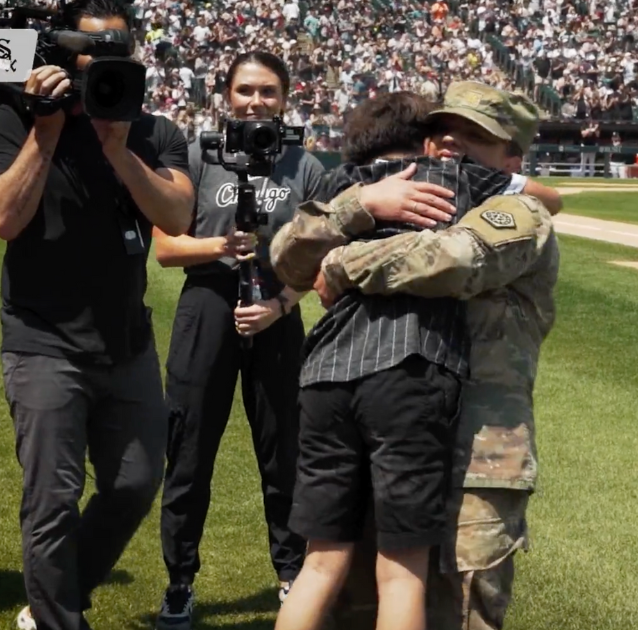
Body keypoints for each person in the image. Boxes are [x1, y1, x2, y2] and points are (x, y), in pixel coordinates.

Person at [269, 86, 558, 630]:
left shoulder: (520, 212)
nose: (453, 142)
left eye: (477, 136)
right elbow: (286, 254)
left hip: (479, 452)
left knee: (460, 611)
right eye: (444, 130)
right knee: (359, 603)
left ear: (512, 159)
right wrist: (359, 205)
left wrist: (341, 264)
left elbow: (453, 259)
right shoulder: (398, 196)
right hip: (392, 421)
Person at [0, 0, 195, 628]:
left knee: (133, 483)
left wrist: (120, 148)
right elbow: (1, 218)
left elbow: (177, 218)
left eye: (115, 55)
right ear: (63, 57)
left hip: (124, 342)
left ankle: (60, 593)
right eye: (89, 53)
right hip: (42, 339)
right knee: (51, 501)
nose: (101, 64)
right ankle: (57, 620)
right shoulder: (15, 120)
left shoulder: (154, 131)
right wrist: (46, 131)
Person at [151, 50, 324, 629]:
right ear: (227, 95)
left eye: (269, 91)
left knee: (284, 453)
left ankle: (291, 575)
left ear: (286, 97)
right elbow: (168, 247)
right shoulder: (199, 155)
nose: (257, 101)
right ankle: (179, 581)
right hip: (208, 305)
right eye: (246, 90)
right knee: (190, 449)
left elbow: (321, 258)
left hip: (276, 312)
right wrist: (223, 248)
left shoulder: (304, 164)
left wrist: (280, 305)